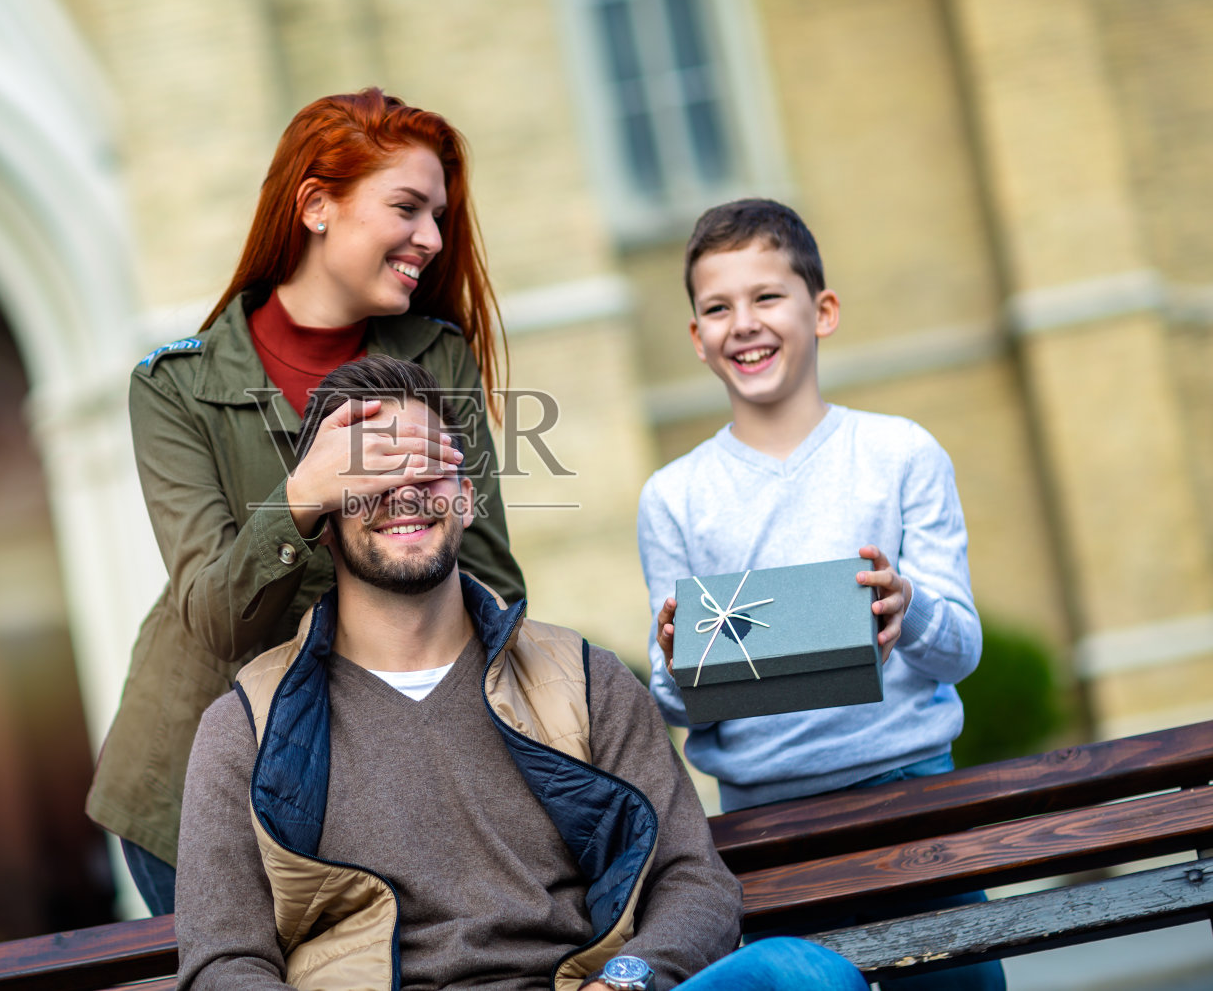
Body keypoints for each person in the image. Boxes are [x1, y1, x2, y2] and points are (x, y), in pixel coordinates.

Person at [174, 355, 868, 991]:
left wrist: (627, 979)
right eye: (369, 473)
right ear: (322, 512)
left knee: (797, 972)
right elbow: (223, 962)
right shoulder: (245, 726)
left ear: (468, 498)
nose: (404, 490)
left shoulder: (582, 678)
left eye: (426, 463)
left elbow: (693, 878)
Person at [85, 89, 527, 914]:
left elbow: (492, 578)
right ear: (317, 205)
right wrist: (304, 496)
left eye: (437, 214)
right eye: (407, 208)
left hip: (383, 776)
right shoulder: (172, 387)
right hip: (196, 790)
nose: (432, 239)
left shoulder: (439, 356)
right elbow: (216, 616)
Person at [639, 198, 1004, 990]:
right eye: (717, 307)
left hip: (911, 796)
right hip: (767, 831)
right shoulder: (673, 497)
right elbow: (680, 702)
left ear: (823, 310)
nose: (744, 322)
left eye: (767, 296)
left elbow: (961, 648)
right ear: (696, 338)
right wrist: (677, 663)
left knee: (959, 988)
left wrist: (910, 611)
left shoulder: (900, 452)